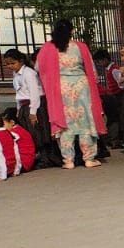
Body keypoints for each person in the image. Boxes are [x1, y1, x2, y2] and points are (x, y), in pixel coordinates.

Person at [35, 18, 107, 169]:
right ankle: (89, 158)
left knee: (65, 123)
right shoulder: (80, 47)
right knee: (85, 121)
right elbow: (92, 71)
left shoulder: (48, 48)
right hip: (82, 86)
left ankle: (68, 160)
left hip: (61, 87)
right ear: (71, 31)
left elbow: (38, 68)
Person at [0, 108, 35, 175]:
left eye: (3, 124)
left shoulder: (14, 132)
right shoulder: (19, 130)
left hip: (23, 163)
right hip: (26, 161)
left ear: (12, 122)